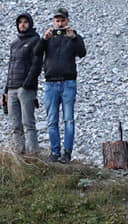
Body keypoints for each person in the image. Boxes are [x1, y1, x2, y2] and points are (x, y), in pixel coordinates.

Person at [36, 7, 86, 163]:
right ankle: (55, 152)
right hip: (51, 83)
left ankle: (67, 152)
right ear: (54, 21)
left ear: (67, 21)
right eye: (57, 21)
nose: (59, 24)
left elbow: (82, 53)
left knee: (68, 119)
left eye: (62, 20)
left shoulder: (73, 36)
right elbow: (36, 52)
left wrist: (74, 38)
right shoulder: (49, 37)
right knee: (52, 120)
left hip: (68, 83)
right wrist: (44, 39)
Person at [2, 12, 43, 155]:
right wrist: (6, 90)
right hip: (12, 88)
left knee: (28, 123)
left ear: (30, 24)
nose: (23, 24)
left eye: (25, 22)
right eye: (20, 22)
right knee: (15, 125)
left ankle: (33, 154)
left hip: (26, 89)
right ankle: (19, 154)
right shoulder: (14, 44)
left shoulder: (35, 40)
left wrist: (27, 84)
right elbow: (10, 67)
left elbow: (37, 65)